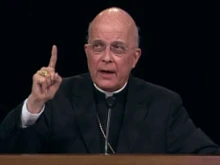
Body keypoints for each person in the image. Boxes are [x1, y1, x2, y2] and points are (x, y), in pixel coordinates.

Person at [0, 7, 220, 154]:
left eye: (117, 48)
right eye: (98, 46)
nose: (106, 58)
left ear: (135, 57)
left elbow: (207, 157)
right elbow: (12, 151)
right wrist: (34, 104)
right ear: (87, 52)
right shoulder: (57, 97)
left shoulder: (164, 105)